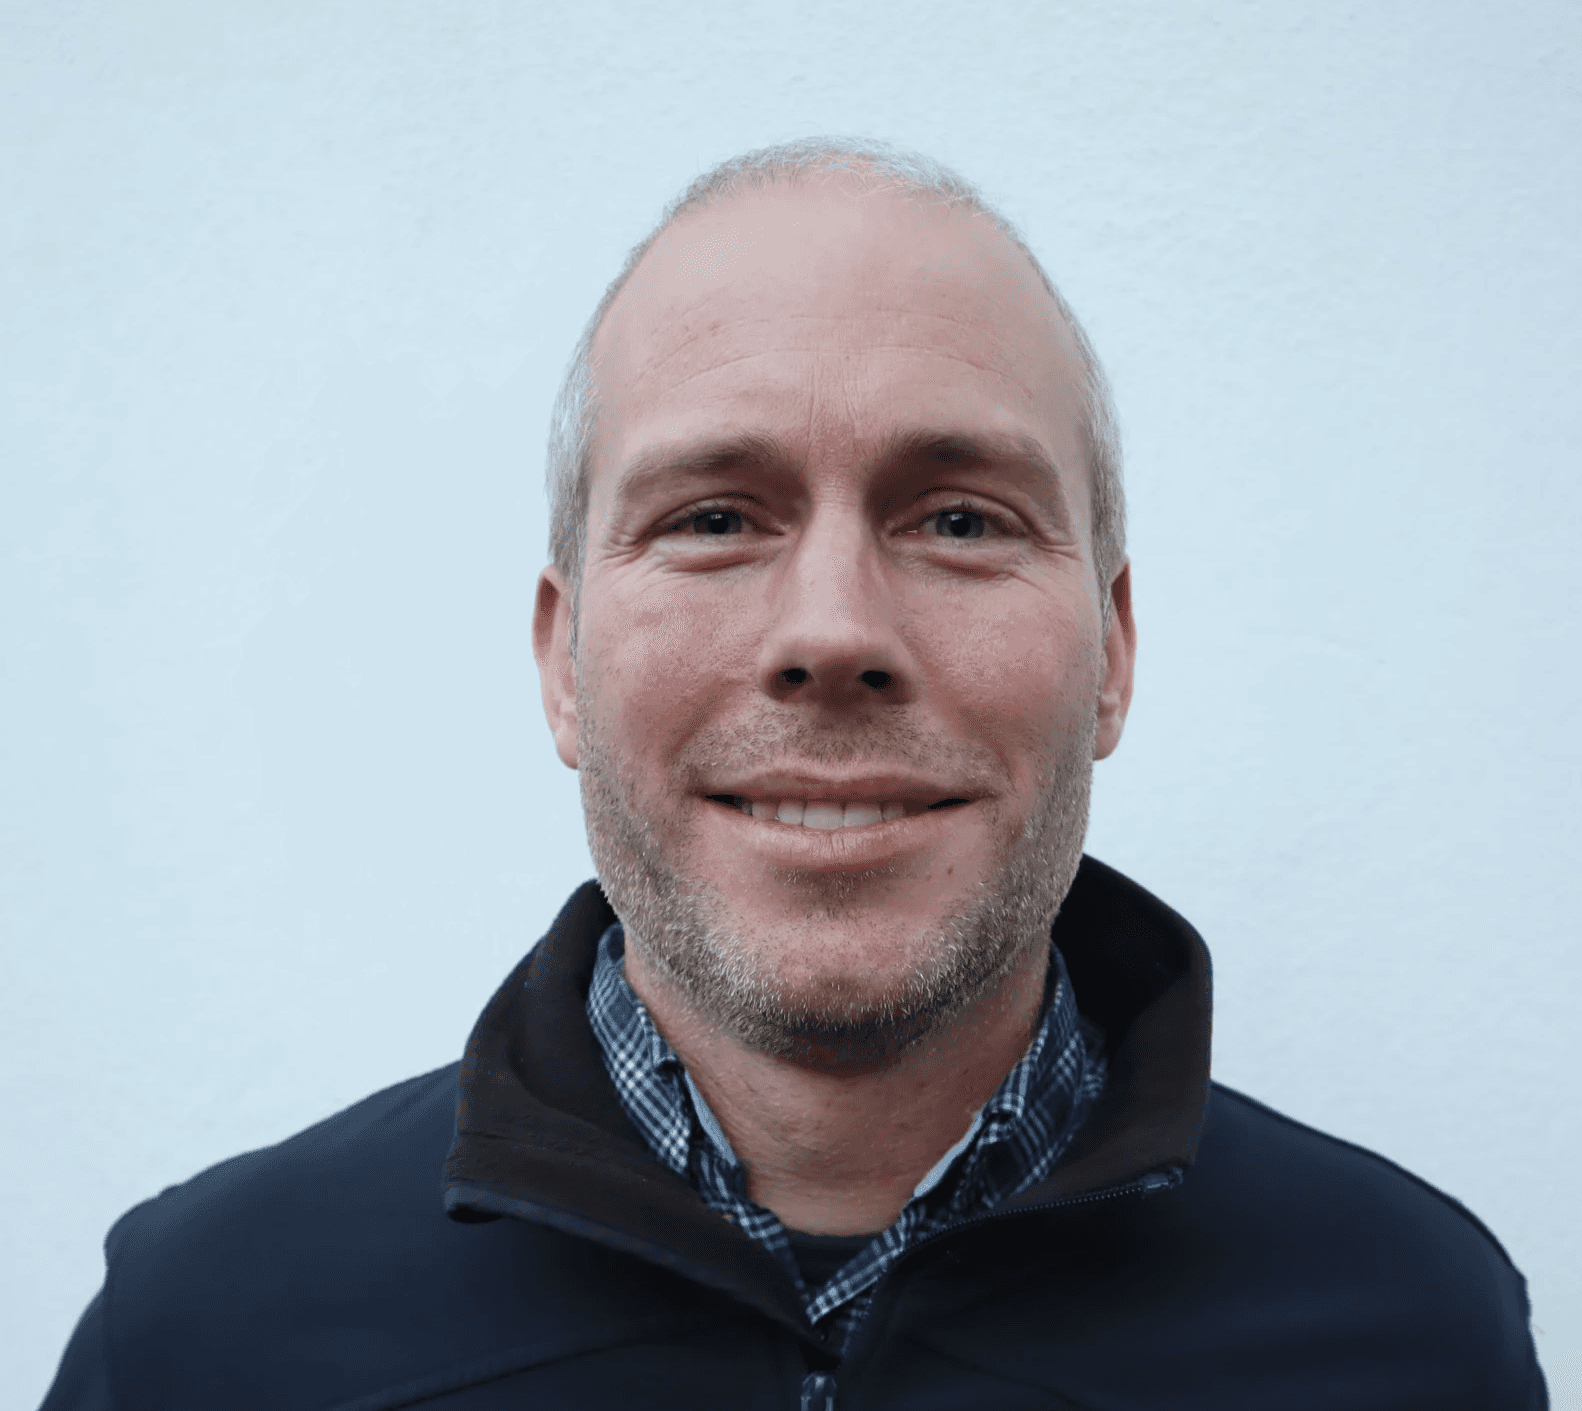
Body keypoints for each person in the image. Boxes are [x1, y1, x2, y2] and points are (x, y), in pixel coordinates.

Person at [41, 138, 1546, 1411]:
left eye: (959, 519)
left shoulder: (1410, 1338)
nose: (832, 632)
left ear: (1112, 651)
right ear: (564, 661)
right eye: (713, 518)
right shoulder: (204, 1340)